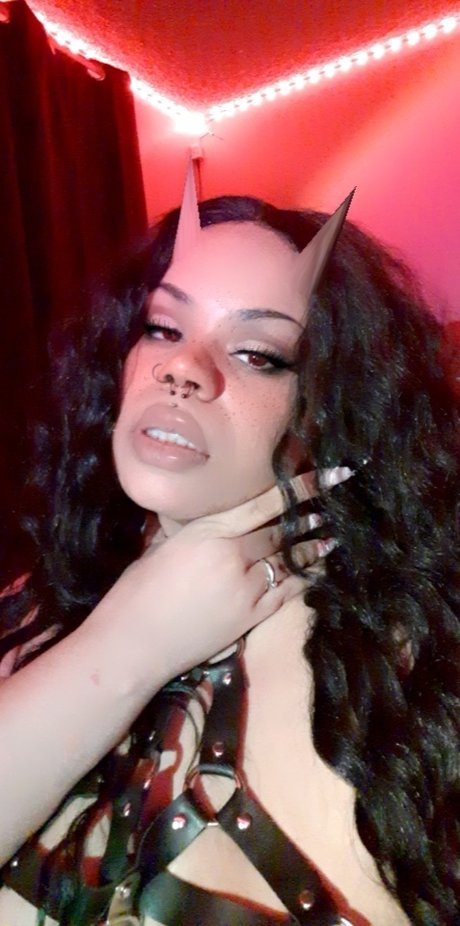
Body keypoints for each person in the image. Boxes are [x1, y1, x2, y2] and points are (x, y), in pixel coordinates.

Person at [0, 175, 458, 926]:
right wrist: (123, 645)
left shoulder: (405, 672)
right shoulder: (30, 609)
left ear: (334, 410)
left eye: (258, 353)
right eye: (162, 328)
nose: (182, 367)